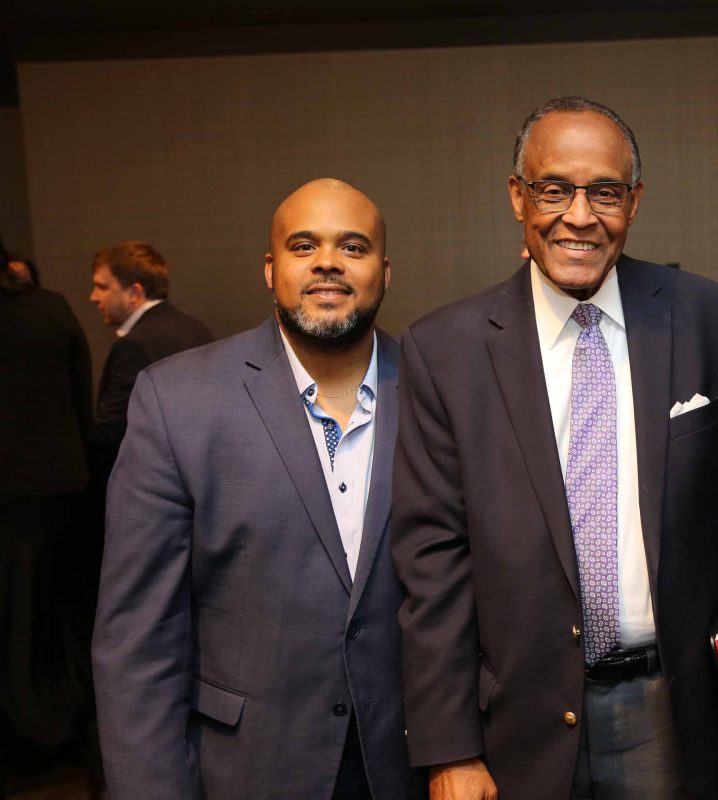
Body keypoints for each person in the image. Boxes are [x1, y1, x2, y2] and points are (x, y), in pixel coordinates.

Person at [391, 96, 718, 800]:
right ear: (517, 197)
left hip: (673, 709)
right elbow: (433, 562)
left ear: (634, 202)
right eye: (554, 190)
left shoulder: (704, 315)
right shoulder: (445, 349)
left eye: (605, 192)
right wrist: (449, 747)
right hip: (516, 721)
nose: (579, 216)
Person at [92, 179, 423, 799]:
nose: (327, 262)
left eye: (353, 246)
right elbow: (138, 641)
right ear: (271, 270)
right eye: (304, 246)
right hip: (247, 768)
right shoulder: (177, 399)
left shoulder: (436, 393)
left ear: (384, 272)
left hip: (406, 767)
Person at [0, 242, 92, 792]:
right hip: (63, 486)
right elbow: (80, 395)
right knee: (57, 617)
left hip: (11, 494)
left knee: (15, 628)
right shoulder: (50, 308)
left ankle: (28, 741)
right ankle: (64, 731)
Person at [88, 241, 213, 473]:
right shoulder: (195, 328)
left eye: (102, 287)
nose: (93, 297)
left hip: (150, 476)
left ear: (134, 293)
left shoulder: (133, 345)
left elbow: (114, 430)